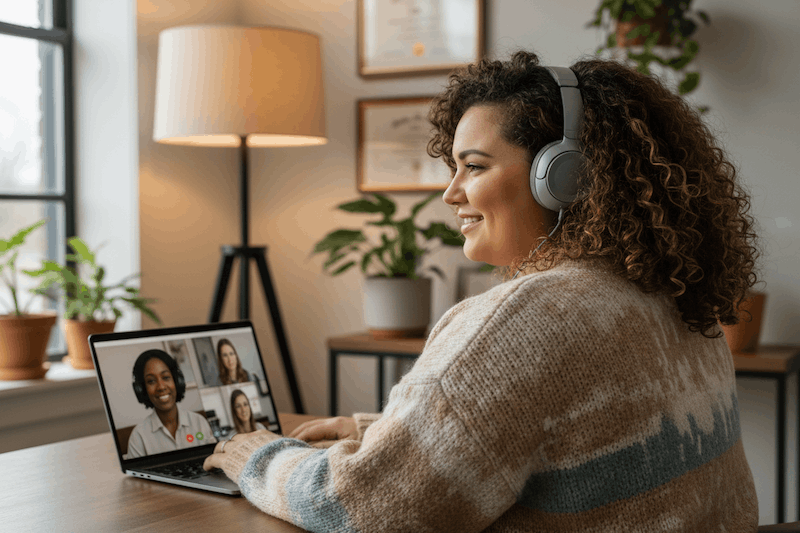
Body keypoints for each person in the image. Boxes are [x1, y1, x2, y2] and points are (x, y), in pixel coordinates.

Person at [204, 51, 760, 531]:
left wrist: (258, 454)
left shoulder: (526, 318)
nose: (451, 193)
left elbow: (361, 509)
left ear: (564, 176)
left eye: (474, 166)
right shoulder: (670, 295)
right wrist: (381, 434)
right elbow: (586, 435)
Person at [127, 349, 216, 458]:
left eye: (166, 377)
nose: (161, 387)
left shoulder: (199, 422)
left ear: (177, 381)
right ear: (142, 389)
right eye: (151, 381)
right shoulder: (138, 437)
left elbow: (214, 460)